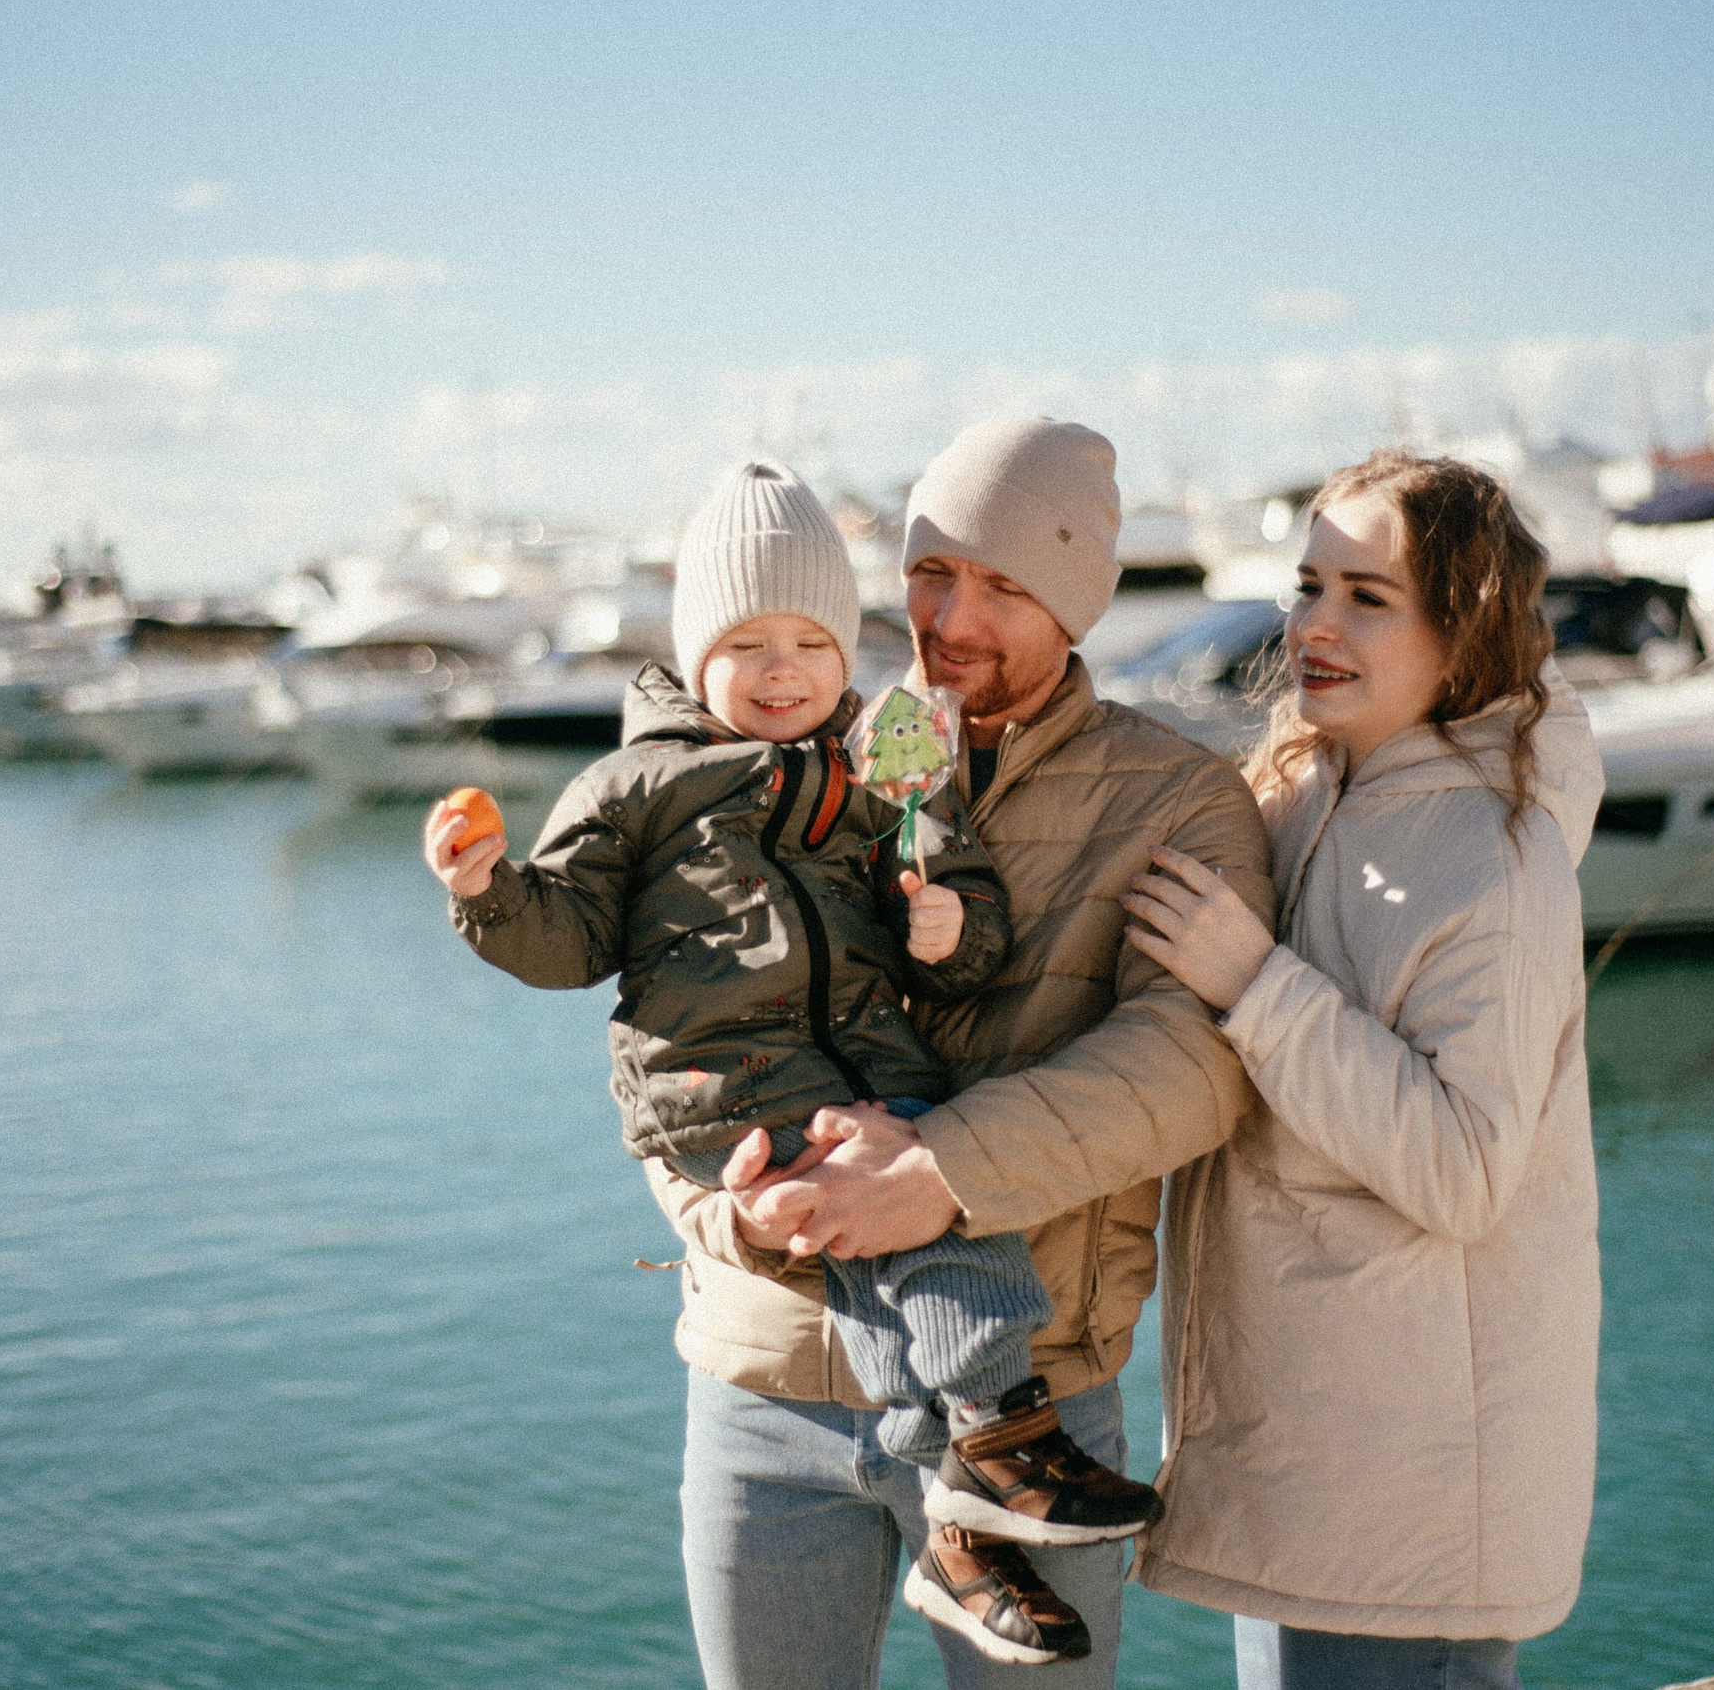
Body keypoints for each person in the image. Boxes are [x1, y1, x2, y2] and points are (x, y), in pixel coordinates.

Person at [426, 458, 1163, 1668]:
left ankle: (966, 1501)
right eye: (749, 642)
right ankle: (1000, 1427)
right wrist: (485, 892)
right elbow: (566, 938)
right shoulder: (638, 788)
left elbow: (954, 886)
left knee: (914, 1202)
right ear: (693, 653)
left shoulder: (874, 767)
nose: (784, 671)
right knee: (924, 1226)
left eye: (814, 642)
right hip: (721, 1093)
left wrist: (949, 924)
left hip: (862, 1075)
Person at [648, 418, 1276, 1690]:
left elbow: (1191, 1063)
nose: (952, 616)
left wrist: (933, 1168)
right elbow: (669, 1027)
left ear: (1081, 602)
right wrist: (719, 1216)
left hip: (1027, 1407)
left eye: (1005, 585)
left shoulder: (1178, 797)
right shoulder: (793, 740)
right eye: (932, 571)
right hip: (769, 1378)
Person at [1116, 450, 1605, 1690]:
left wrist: (1254, 979)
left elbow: (1462, 1168)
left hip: (1410, 1495)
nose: (1314, 624)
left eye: (1367, 596)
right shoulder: (1299, 785)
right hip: (1312, 1456)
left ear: (1465, 628)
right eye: (1308, 584)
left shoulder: (1495, 859)